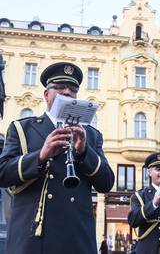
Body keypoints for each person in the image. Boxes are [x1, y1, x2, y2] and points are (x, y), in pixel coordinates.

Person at [0, 62, 115, 254]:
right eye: (60, 87)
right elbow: (2, 173)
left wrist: (84, 151)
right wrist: (41, 155)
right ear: (47, 94)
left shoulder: (91, 135)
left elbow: (106, 183)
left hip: (75, 238)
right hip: (33, 238)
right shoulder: (22, 128)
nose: (67, 92)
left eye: (72, 89)